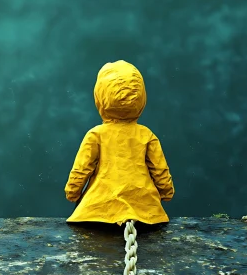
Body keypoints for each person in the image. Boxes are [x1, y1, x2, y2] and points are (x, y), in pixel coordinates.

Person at [64, 60, 174, 226]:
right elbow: (160, 171)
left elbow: (81, 169)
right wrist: (166, 193)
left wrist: (72, 193)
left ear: (100, 96)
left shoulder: (96, 135)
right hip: (144, 209)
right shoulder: (146, 134)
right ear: (142, 97)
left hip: (98, 208)